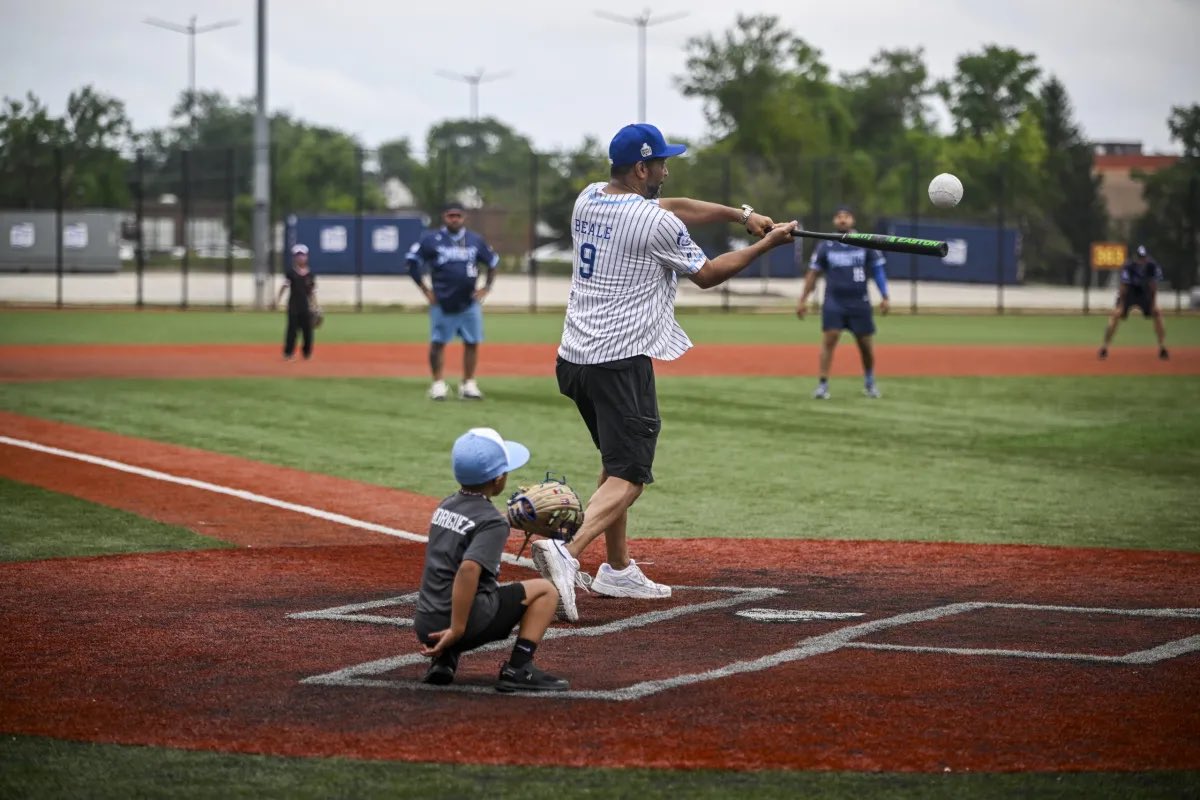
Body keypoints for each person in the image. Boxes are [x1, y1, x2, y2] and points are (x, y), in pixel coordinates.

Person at [531, 122, 797, 623]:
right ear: (640, 168)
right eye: (660, 164)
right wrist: (769, 244)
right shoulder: (653, 223)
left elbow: (674, 206)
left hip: (575, 359)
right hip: (619, 359)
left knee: (614, 461)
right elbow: (708, 275)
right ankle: (567, 552)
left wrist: (744, 216)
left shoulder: (589, 197)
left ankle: (618, 569)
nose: (667, 170)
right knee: (631, 474)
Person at [414, 427, 569, 692]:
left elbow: (464, 540)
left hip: (426, 625)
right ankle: (519, 668)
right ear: (499, 479)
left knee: (459, 582)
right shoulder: (492, 522)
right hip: (459, 626)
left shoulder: (446, 505)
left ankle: (445, 660)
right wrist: (457, 629)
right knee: (545, 591)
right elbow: (468, 569)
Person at [406, 202, 500, 400]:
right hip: (442, 300)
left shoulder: (474, 240)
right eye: (450, 215)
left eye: (458, 215)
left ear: (464, 217)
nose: (454, 219)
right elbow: (412, 262)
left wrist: (486, 288)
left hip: (469, 301)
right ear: (444, 217)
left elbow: (492, 262)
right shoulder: (431, 239)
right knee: (438, 342)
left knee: (472, 342)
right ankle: (438, 384)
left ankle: (468, 384)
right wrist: (425, 290)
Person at [796, 206, 889, 399]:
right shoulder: (826, 245)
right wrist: (803, 299)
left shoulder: (865, 243)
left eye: (846, 216)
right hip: (834, 302)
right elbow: (813, 273)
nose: (842, 220)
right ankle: (822, 385)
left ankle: (870, 382)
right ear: (834, 221)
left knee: (865, 345)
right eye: (839, 217)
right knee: (829, 340)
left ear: (853, 220)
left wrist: (885, 296)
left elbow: (878, 271)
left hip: (859, 302)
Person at [1099, 245, 1169, 360]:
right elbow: (1123, 287)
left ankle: (1162, 347)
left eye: (1143, 257)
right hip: (1129, 294)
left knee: (1157, 312)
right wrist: (1121, 305)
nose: (1141, 260)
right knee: (1116, 315)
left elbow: (1153, 286)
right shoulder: (1128, 266)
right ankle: (1104, 347)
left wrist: (1153, 304)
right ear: (1135, 257)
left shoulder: (1152, 266)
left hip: (1144, 293)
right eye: (1139, 257)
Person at [277, 243, 317, 360]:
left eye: (303, 255)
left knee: (307, 331)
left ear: (307, 257)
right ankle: (288, 353)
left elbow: (312, 292)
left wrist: (315, 305)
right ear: (294, 257)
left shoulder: (310, 274)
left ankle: (307, 353)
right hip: (293, 305)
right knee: (292, 330)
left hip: (306, 306)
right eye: (298, 255)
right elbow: (284, 287)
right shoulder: (291, 273)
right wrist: (278, 300)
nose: (301, 257)